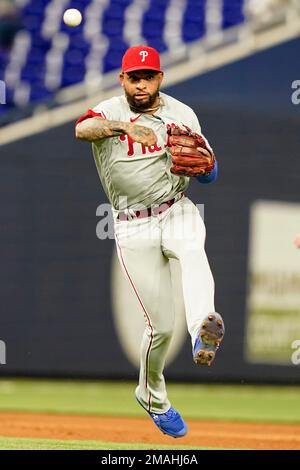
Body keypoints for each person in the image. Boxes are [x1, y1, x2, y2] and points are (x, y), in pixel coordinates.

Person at [75, 45, 225, 438]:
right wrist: (123, 127)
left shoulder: (183, 113)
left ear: (160, 78)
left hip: (176, 208)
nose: (141, 84)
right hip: (131, 223)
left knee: (193, 252)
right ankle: (151, 395)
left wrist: (206, 165)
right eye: (134, 77)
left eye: (149, 76)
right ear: (122, 79)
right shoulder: (109, 111)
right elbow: (81, 130)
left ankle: (203, 329)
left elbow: (208, 171)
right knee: (160, 328)